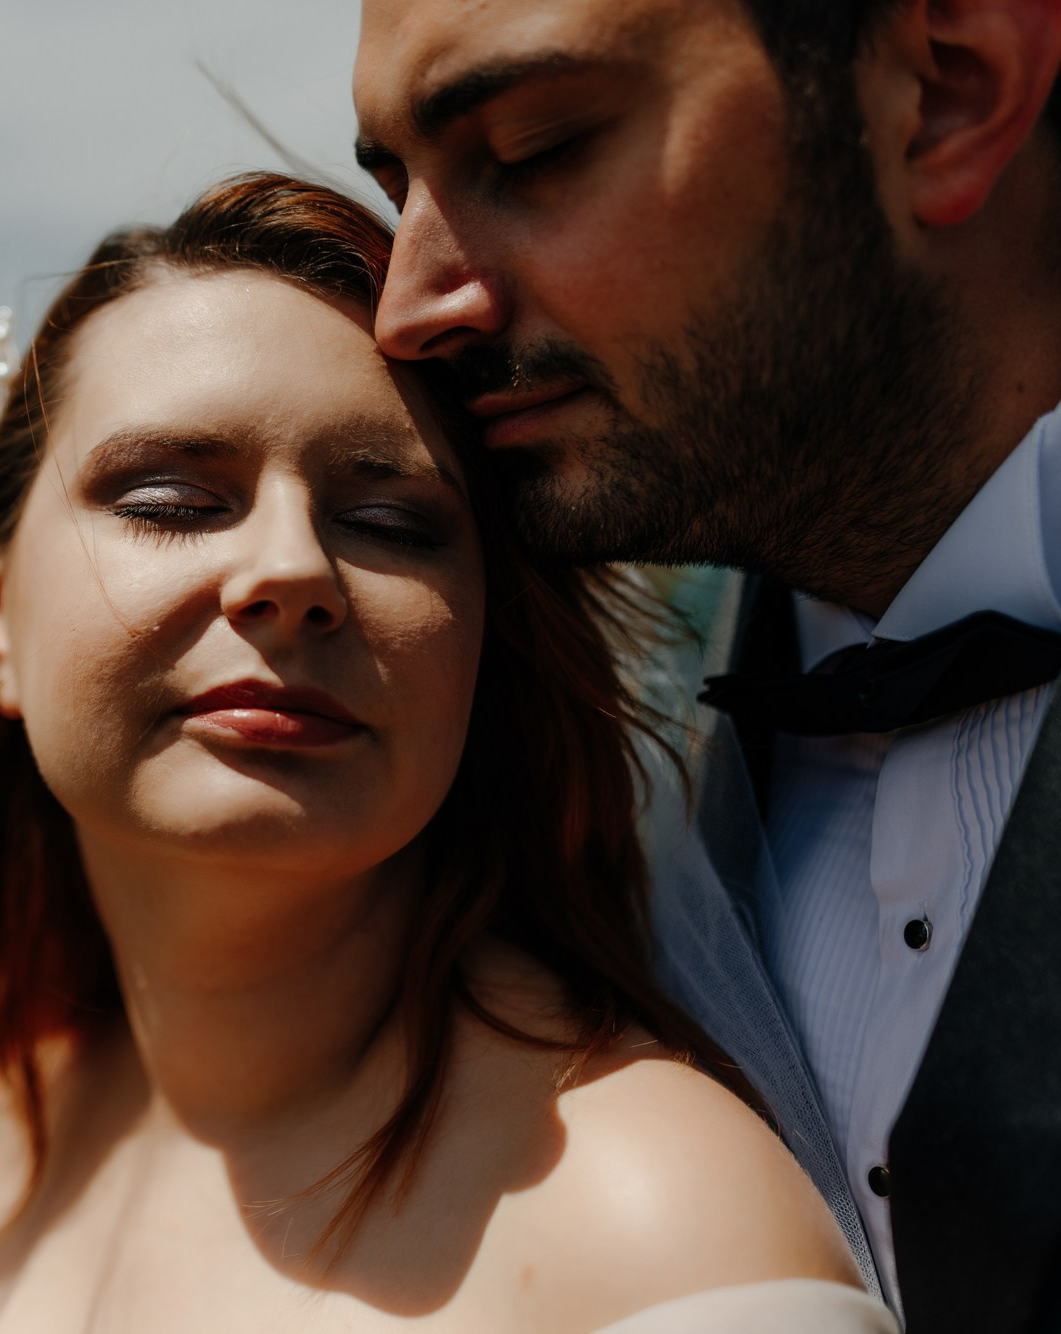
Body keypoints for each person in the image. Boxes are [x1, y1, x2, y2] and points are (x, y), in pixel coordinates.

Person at [0, 174, 890, 1332]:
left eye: (389, 524)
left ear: (484, 635)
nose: (290, 574)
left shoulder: (660, 1232)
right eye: (170, 499)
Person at [350, 0, 1061, 1325]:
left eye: (536, 147)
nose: (408, 308)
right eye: (397, 191)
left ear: (950, 92)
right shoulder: (568, 792)